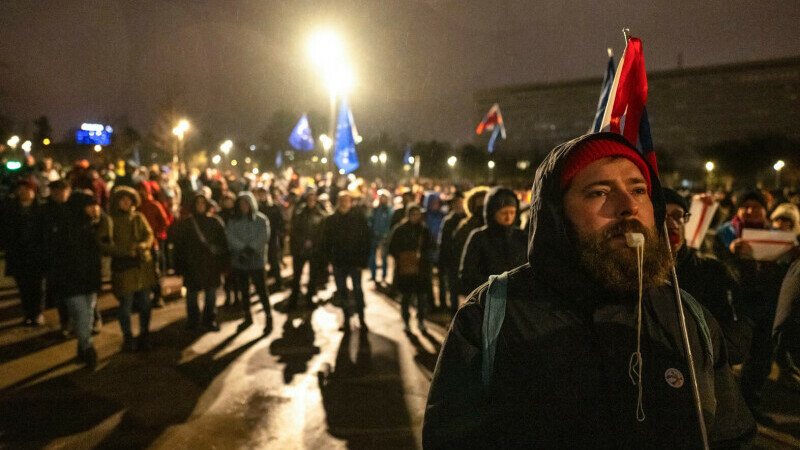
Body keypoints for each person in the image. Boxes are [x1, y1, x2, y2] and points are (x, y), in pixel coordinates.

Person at [424, 133, 755, 448]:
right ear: (557, 214)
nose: (628, 206)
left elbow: (729, 434)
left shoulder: (687, 317)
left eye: (639, 190)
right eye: (599, 192)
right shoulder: (492, 315)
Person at [714, 189, 794, 420]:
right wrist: (730, 253)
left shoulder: (777, 235)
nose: (751, 211)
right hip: (736, 303)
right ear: (738, 210)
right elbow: (714, 262)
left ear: (764, 210)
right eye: (745, 206)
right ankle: (725, 406)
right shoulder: (724, 233)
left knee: (761, 356)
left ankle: (750, 404)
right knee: (730, 355)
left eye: (756, 206)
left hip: (768, 302)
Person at [663, 188, 753, 366]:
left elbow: (736, 327)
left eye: (678, 215)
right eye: (662, 217)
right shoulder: (637, 276)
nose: (672, 223)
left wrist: (714, 351)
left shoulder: (712, 271)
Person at [49, 190, 110, 369]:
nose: (94, 209)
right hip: (71, 282)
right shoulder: (65, 228)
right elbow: (57, 257)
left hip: (89, 280)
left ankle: (82, 349)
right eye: (90, 205)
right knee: (83, 315)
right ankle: (88, 349)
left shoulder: (93, 226)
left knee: (88, 316)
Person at [103, 187, 156, 352]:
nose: (126, 203)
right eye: (123, 200)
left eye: (129, 200)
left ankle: (144, 334)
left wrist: (141, 246)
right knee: (125, 305)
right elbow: (105, 244)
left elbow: (149, 235)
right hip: (124, 268)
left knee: (145, 304)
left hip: (142, 267)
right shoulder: (111, 220)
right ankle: (128, 336)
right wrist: (125, 252)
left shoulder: (139, 217)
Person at [173, 193, 229, 331]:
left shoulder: (215, 222)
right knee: (191, 295)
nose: (200, 206)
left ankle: (209, 320)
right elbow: (179, 247)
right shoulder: (187, 224)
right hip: (192, 265)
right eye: (197, 203)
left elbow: (223, 244)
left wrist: (224, 264)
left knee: (210, 295)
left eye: (202, 203)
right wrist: (179, 266)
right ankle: (193, 321)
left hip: (211, 265)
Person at [458, 187, 527, 295]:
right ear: (492, 212)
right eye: (503, 213)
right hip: (488, 302)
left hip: (517, 302)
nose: (508, 217)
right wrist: (498, 285)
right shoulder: (479, 237)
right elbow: (467, 277)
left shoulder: (522, 236)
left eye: (512, 212)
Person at [0, 178, 46, 326]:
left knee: (36, 286)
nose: (22, 193)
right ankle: (27, 313)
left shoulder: (41, 209)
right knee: (23, 286)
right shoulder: (11, 208)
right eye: (20, 190)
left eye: (26, 190)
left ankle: (37, 312)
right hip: (18, 254)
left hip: (36, 254)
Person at [323, 191, 370, 333]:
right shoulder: (331, 220)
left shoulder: (358, 218)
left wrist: (363, 261)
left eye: (347, 200)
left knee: (357, 290)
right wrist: (328, 260)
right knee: (342, 292)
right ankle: (346, 319)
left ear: (351, 202)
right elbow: (326, 241)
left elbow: (365, 240)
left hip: (354, 262)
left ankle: (362, 319)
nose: (344, 203)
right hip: (339, 262)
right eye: (341, 200)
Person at [226, 191, 273, 335]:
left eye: (246, 203)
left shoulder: (261, 220)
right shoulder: (234, 221)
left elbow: (263, 237)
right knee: (244, 291)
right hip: (240, 262)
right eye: (241, 203)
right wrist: (242, 249)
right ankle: (247, 315)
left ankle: (268, 316)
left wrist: (251, 248)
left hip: (257, 261)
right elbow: (230, 236)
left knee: (261, 290)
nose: (244, 206)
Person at [389, 204, 434, 334]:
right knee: (406, 297)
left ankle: (420, 320)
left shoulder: (424, 230)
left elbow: (430, 246)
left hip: (421, 269)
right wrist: (403, 256)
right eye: (413, 214)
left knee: (421, 297)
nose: (415, 217)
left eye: (417, 214)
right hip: (405, 270)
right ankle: (406, 322)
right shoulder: (400, 230)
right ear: (408, 215)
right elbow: (392, 248)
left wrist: (423, 257)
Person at [288, 191, 328, 310]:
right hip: (300, 250)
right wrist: (303, 242)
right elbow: (294, 230)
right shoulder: (299, 213)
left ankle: (309, 297)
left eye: (313, 199)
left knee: (313, 276)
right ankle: (294, 299)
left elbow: (322, 233)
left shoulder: (320, 214)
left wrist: (313, 242)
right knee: (297, 276)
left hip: (314, 251)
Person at [43, 179, 73, 334]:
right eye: (55, 191)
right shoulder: (46, 210)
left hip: (73, 258)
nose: (59, 194)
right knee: (60, 294)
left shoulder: (74, 208)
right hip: (55, 260)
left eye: (62, 190)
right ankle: (65, 322)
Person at [136, 181, 170, 308]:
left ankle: (157, 296)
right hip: (139, 245)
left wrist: (157, 234)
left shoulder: (154, 205)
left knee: (154, 271)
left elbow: (164, 222)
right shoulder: (136, 206)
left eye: (143, 189)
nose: (141, 192)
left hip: (153, 244)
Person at [451, 186, 489, 294]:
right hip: (474, 277)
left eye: (484, 202)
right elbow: (458, 249)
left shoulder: (499, 226)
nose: (481, 206)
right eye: (479, 203)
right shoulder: (466, 226)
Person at [437, 191, 466, 314]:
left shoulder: (469, 220)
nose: (458, 205)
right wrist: (442, 260)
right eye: (456, 202)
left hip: (465, 261)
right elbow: (443, 242)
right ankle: (453, 315)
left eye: (460, 202)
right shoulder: (448, 221)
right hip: (452, 261)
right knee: (453, 291)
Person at [368, 190, 393, 284]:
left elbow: (390, 223)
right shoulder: (375, 210)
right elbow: (371, 220)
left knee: (384, 257)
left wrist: (387, 234)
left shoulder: (390, 211)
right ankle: (373, 275)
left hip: (385, 236)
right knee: (373, 256)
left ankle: (384, 276)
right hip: (375, 235)